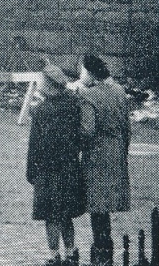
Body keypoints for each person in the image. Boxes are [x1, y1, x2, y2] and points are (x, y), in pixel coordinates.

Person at [26, 64, 84, 266]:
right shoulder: (74, 105)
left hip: (46, 170)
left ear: (48, 85)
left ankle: (53, 255)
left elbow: (34, 144)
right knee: (66, 214)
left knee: (50, 215)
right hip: (69, 168)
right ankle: (71, 252)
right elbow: (79, 137)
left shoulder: (41, 111)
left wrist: (31, 172)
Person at [77, 54, 131, 266]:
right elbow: (126, 127)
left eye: (82, 70)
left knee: (97, 206)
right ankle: (106, 250)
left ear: (90, 72)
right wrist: (122, 152)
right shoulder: (119, 91)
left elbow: (87, 130)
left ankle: (100, 251)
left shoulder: (88, 96)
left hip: (97, 155)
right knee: (106, 206)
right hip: (116, 151)